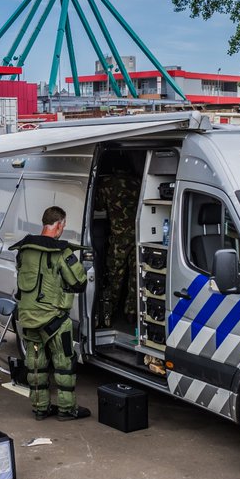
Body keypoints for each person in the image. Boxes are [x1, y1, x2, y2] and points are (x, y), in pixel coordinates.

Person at [10, 206, 91, 421]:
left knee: (36, 364)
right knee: (64, 364)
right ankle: (66, 410)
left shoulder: (24, 249)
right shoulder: (62, 252)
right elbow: (79, 281)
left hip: (27, 319)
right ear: (59, 225)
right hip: (54, 320)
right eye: (63, 226)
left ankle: (40, 408)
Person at [93, 171, 140, 328]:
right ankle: (132, 313)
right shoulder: (137, 180)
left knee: (114, 275)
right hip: (140, 235)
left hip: (120, 237)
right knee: (135, 275)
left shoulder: (107, 182)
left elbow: (97, 205)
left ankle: (108, 312)